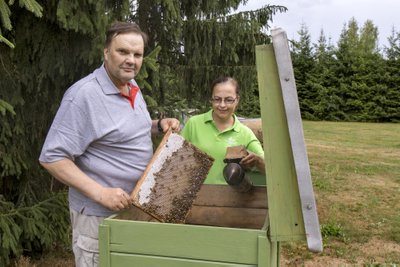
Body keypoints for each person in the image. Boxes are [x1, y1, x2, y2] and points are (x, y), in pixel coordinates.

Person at [39, 21, 180, 266]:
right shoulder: (83, 96)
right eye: (123, 51)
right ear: (106, 52)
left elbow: (120, 130)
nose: (131, 60)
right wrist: (100, 192)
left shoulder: (131, 85)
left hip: (134, 209)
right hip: (97, 218)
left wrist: (158, 125)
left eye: (137, 55)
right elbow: (51, 158)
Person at [181, 76, 265, 184]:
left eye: (229, 100)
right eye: (217, 99)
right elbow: (176, 160)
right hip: (195, 197)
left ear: (237, 100)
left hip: (230, 198)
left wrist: (257, 160)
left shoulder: (245, 133)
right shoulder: (193, 124)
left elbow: (267, 169)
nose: (222, 105)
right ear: (211, 98)